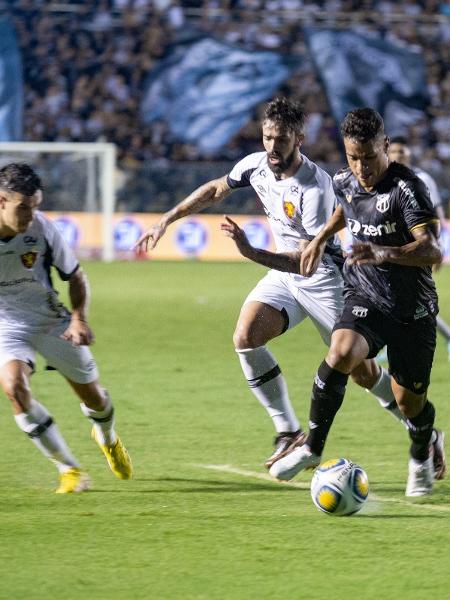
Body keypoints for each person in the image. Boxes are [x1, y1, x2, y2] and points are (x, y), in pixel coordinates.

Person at [135, 97, 441, 472]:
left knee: (360, 372)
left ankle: (423, 432)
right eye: (267, 137)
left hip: (322, 279)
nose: (272, 147)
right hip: (285, 275)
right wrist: (167, 219)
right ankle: (288, 431)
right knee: (245, 336)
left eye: (280, 139)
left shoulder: (314, 187)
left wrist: (250, 252)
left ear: (298, 138)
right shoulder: (255, 165)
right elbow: (217, 188)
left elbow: (303, 261)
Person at [270, 108, 446, 496]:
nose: (362, 167)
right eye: (353, 157)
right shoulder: (345, 180)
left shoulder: (408, 188)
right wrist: (319, 238)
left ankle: (422, 450)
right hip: (365, 294)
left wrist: (384, 253)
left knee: (410, 403)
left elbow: (432, 251)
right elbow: (344, 210)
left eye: (369, 157)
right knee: (342, 354)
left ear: (385, 148)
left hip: (412, 309)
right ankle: (312, 449)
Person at [0, 163, 133, 493]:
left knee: (95, 399)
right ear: (1, 200)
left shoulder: (42, 229)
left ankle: (107, 437)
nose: (31, 215)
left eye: (35, 206)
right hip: (7, 325)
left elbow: (75, 276)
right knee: (14, 387)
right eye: (23, 208)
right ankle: (69, 469)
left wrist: (79, 319)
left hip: (51, 321)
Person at [388, 136, 450, 359]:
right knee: (396, 296)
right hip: (396, 248)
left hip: (418, 248)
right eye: (394, 152)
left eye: (401, 152)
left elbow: (436, 212)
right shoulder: (384, 178)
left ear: (409, 154)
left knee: (415, 297)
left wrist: (437, 245)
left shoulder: (422, 178)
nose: (398, 156)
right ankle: (393, 342)